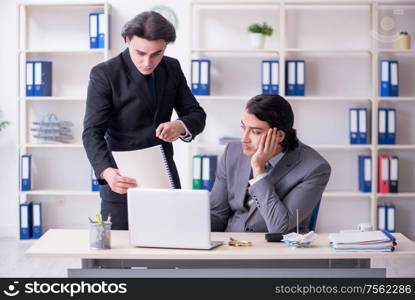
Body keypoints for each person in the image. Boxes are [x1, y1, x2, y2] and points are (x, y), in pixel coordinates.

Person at [83, 11, 206, 230]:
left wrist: (179, 126)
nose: (147, 62)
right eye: (140, 53)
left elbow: (197, 114)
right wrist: (107, 172)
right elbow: (92, 132)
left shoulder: (172, 68)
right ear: (127, 40)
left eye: (156, 54)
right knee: (116, 257)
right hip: (121, 181)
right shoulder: (104, 74)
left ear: (165, 47)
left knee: (167, 252)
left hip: (163, 177)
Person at [210, 94, 331, 233]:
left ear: (279, 136)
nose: (244, 139)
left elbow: (280, 227)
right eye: (244, 128)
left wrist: (258, 170)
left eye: (255, 132)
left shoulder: (315, 168)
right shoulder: (232, 152)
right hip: (231, 247)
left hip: (276, 249)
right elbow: (216, 214)